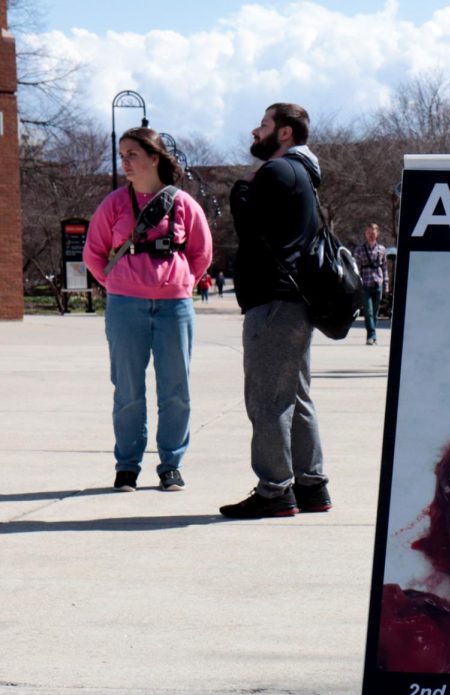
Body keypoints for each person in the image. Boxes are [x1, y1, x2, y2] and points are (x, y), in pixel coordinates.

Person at [84, 127, 212, 493]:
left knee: (176, 388)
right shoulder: (114, 204)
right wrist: (120, 285)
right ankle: (127, 466)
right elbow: (93, 253)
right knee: (127, 389)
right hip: (125, 306)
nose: (124, 162)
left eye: (132, 155)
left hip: (175, 306)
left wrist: (180, 280)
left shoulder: (184, 204)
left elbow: (201, 254)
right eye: (121, 155)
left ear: (154, 158)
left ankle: (171, 464)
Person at [219, 102, 331, 519]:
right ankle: (311, 485)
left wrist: (242, 188)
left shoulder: (279, 172)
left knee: (267, 398)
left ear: (284, 133)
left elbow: (248, 224)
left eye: (264, 124)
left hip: (273, 301)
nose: (255, 131)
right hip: (296, 302)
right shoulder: (305, 173)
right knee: (295, 395)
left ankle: (274, 490)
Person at [353, 223, 389, 345]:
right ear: (365, 234)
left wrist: (386, 284)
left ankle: (372, 335)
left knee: (375, 311)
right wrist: (356, 285)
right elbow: (356, 269)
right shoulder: (359, 250)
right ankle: (371, 335)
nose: (371, 235)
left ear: (377, 234)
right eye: (369, 233)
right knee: (368, 311)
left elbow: (384, 268)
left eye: (373, 233)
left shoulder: (382, 249)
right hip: (365, 284)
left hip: (378, 283)